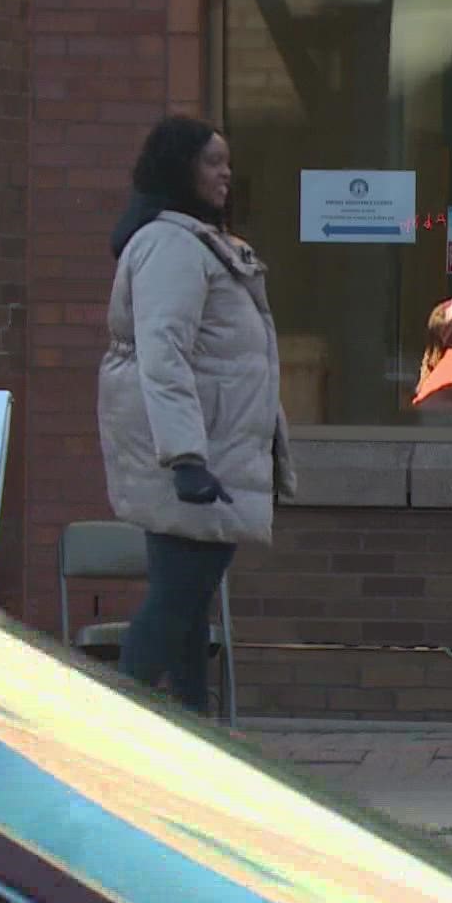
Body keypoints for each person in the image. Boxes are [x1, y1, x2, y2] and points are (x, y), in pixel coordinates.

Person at [98, 115, 295, 715]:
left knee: (186, 605)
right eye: (212, 162)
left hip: (213, 451)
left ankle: (192, 731)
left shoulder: (199, 243)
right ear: (179, 169)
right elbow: (164, 352)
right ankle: (101, 730)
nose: (225, 174)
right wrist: (185, 457)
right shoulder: (171, 247)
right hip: (195, 456)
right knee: (176, 604)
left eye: (227, 162)